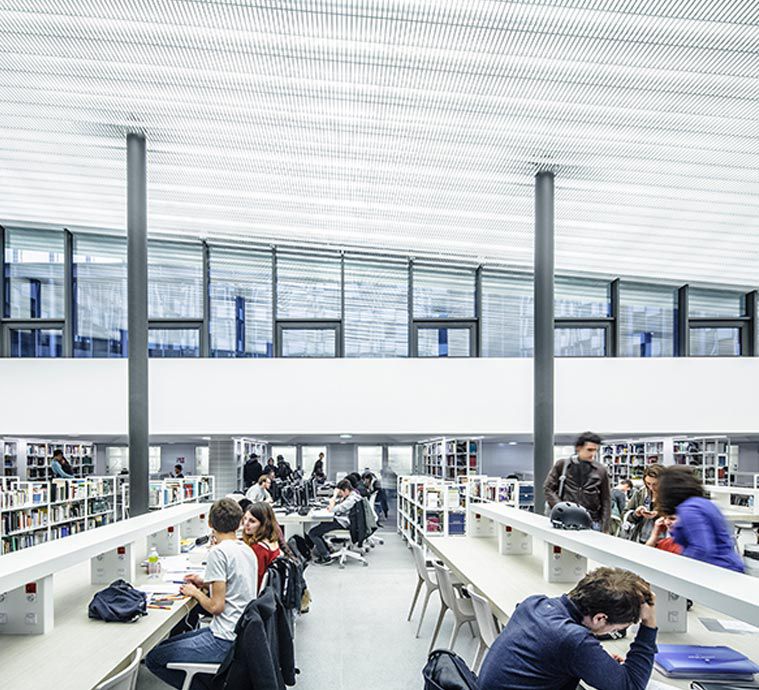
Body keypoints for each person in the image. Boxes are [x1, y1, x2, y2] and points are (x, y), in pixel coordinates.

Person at [478, 567, 657, 690]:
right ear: (600, 618)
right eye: (617, 628)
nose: (613, 633)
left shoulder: (534, 604)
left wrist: (592, 658)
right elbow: (631, 684)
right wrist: (649, 622)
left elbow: (548, 647)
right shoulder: (574, 642)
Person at [145, 498, 258, 689]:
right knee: (164, 646)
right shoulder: (246, 550)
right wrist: (204, 581)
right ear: (240, 523)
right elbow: (234, 581)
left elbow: (216, 607)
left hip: (223, 639)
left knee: (154, 658)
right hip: (239, 635)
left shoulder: (218, 552)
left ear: (210, 524)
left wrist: (195, 592)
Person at [656, 466, 744, 572]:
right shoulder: (703, 503)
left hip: (717, 572)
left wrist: (679, 567)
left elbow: (702, 549)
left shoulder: (689, 510)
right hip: (728, 567)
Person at [544, 432, 611, 532]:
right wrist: (562, 509)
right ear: (578, 448)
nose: (593, 454)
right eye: (589, 450)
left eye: (595, 450)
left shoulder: (600, 470)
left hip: (592, 521)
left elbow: (606, 499)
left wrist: (605, 527)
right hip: (566, 520)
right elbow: (548, 488)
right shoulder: (563, 465)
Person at [307, 479, 362, 565]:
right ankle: (327, 550)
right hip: (343, 520)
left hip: (343, 523)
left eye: (341, 492)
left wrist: (334, 496)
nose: (340, 495)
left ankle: (326, 557)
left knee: (313, 533)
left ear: (346, 490)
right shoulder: (352, 495)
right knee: (321, 526)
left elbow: (333, 509)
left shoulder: (351, 499)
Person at [241, 502, 282, 591]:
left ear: (263, 524)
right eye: (245, 519)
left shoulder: (258, 549)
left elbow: (255, 581)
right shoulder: (272, 541)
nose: (245, 524)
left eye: (252, 521)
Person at [624, 464, 663, 543]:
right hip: (641, 538)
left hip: (662, 542)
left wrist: (659, 515)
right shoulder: (641, 493)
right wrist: (636, 514)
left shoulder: (671, 496)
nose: (651, 488)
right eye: (648, 483)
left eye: (655, 484)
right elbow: (625, 515)